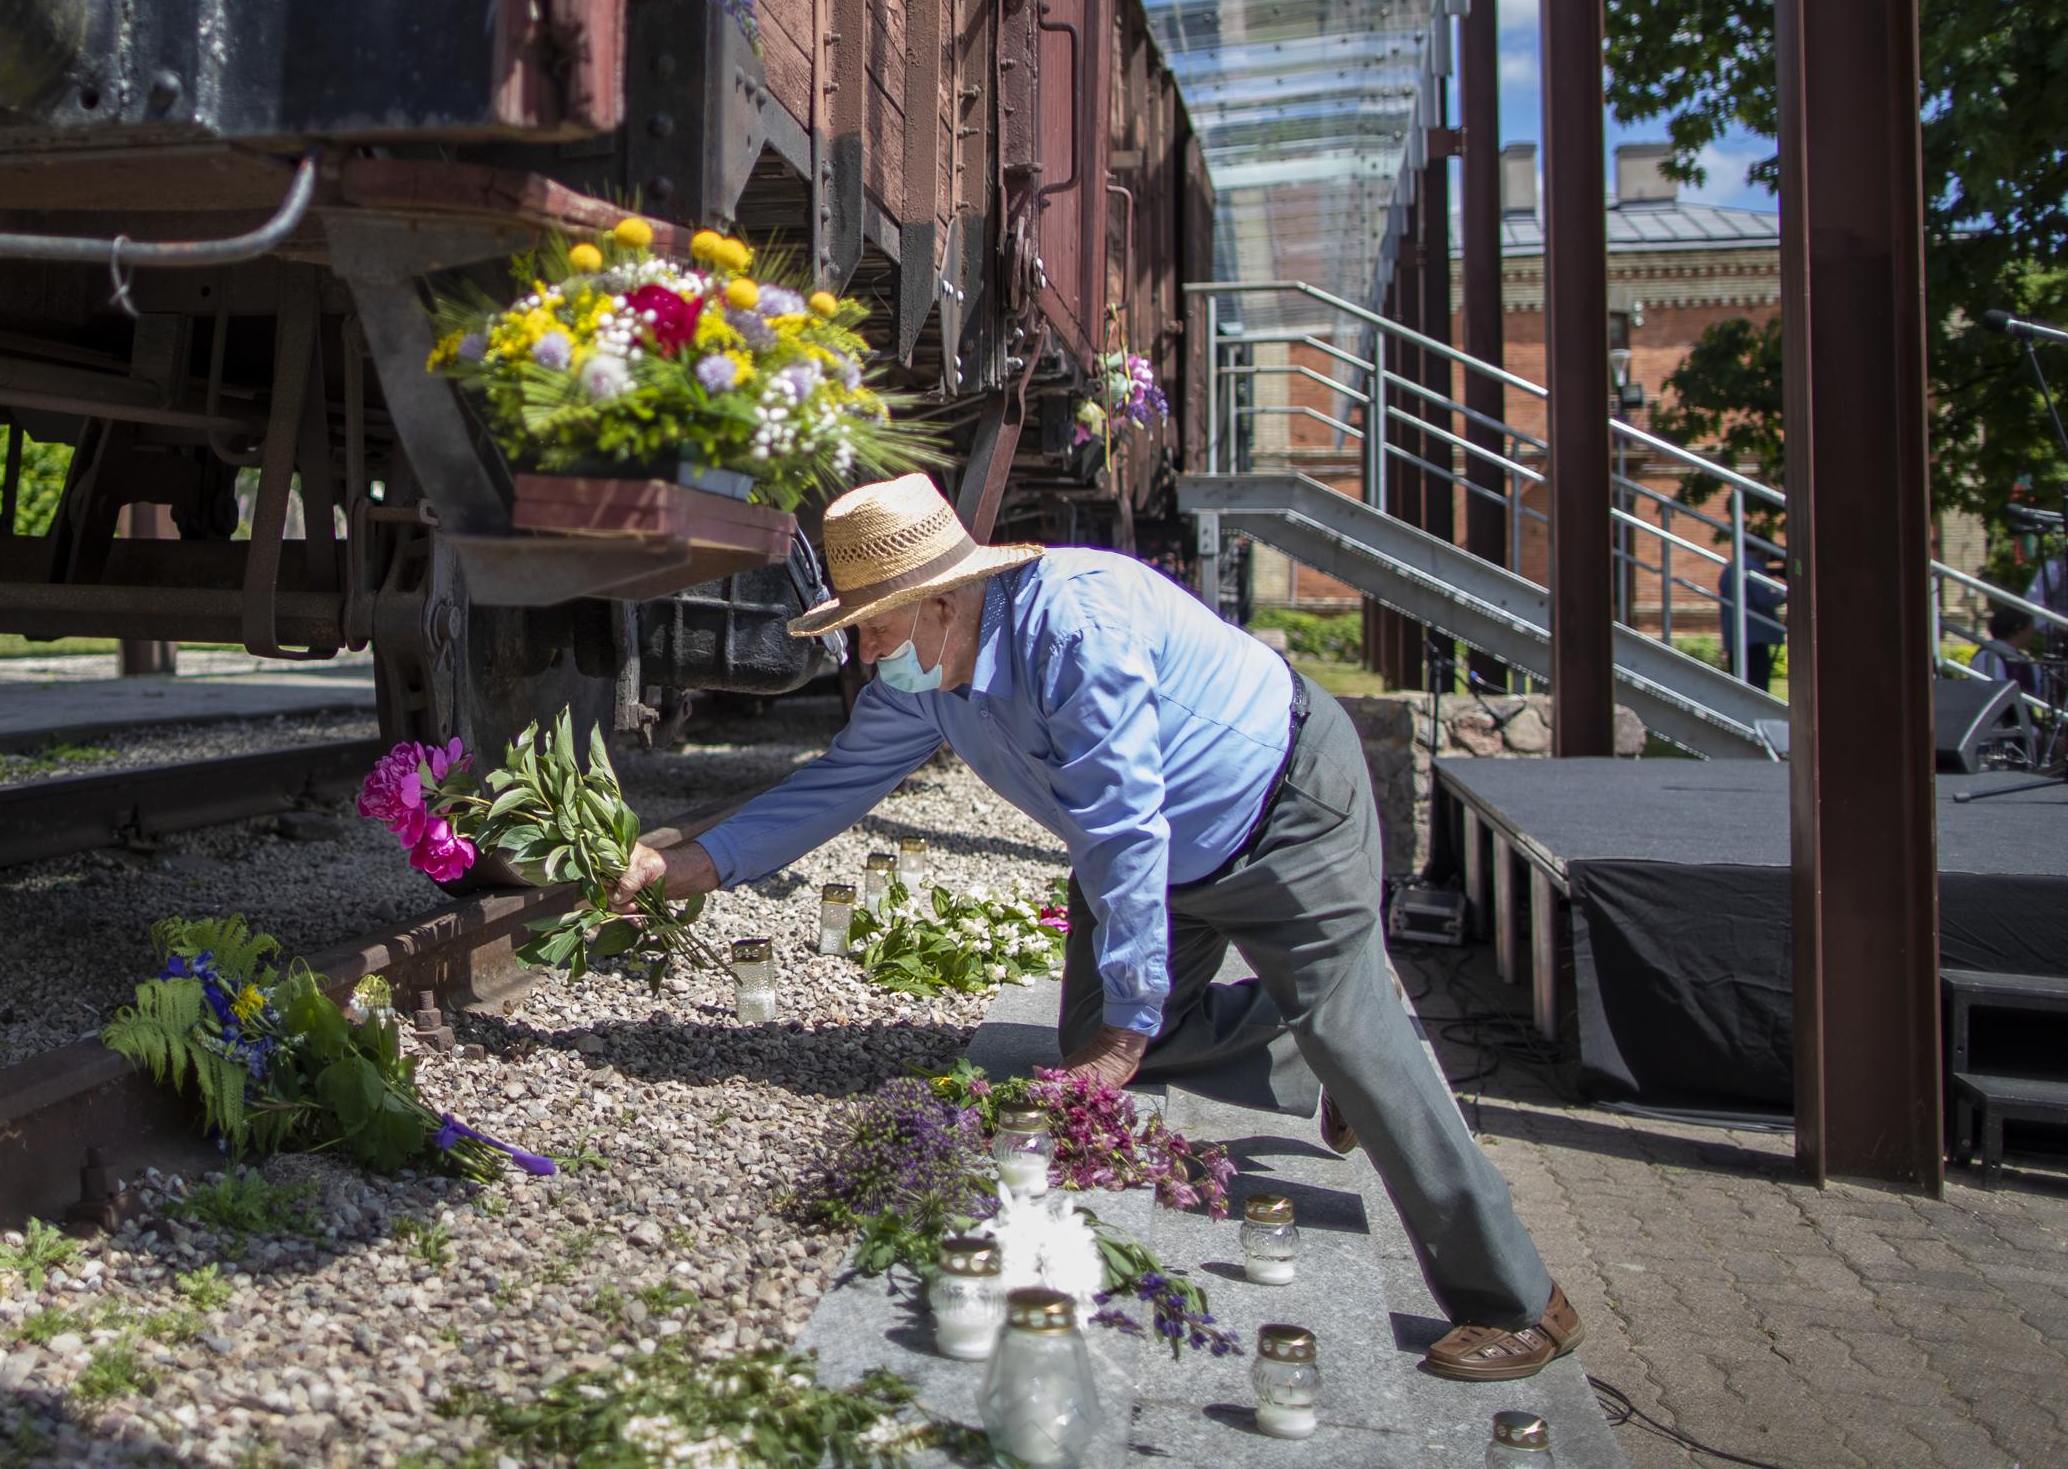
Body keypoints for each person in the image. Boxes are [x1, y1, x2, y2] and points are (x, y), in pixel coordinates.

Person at [613, 473, 1581, 1383]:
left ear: (943, 599)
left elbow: (1123, 822)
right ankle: (1303, 1043)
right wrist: (692, 864)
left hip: (1282, 812)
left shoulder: (1077, 624)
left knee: (1302, 1031)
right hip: (1162, 854)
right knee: (1102, 1042)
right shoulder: (928, 680)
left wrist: (1129, 1027)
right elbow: (836, 782)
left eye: (874, 626)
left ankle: (1519, 1297)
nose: (865, 652)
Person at [1713, 532, 1784, 691]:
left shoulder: (1732, 567)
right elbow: (1765, 599)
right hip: (1753, 638)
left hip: (1736, 637)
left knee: (1741, 686)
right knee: (1758, 686)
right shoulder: (1751, 568)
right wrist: (1784, 596)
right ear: (1760, 550)